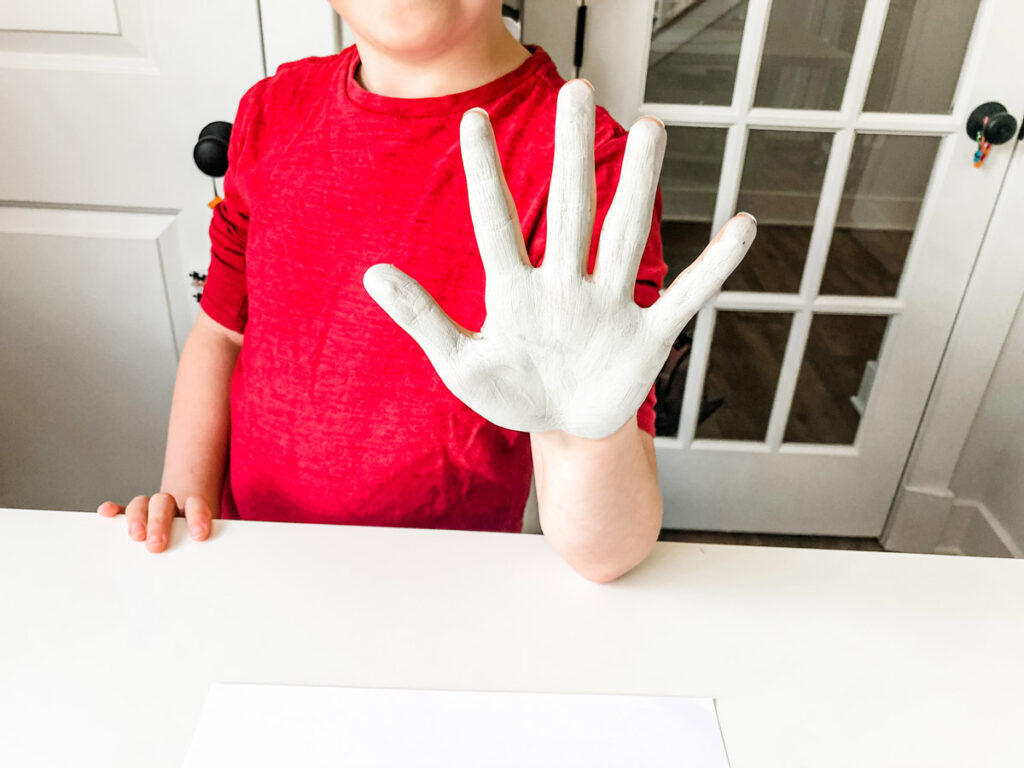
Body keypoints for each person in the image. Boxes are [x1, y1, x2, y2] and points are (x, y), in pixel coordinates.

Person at [97, 0, 754, 583]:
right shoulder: (270, 112)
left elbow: (605, 555)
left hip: (441, 591)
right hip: (252, 555)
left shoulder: (583, 171)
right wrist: (186, 503)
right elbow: (220, 331)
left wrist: (589, 434)